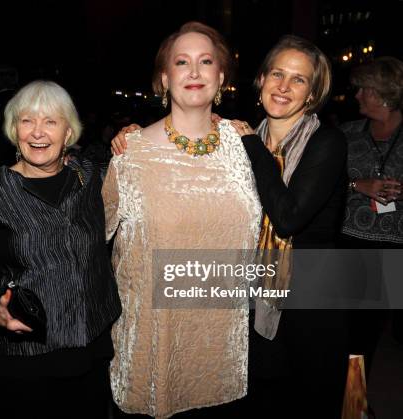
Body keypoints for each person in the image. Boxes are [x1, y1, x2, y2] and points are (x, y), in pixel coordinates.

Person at [103, 22, 262, 418]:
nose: (194, 71)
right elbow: (90, 241)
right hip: (155, 350)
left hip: (226, 350)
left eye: (205, 61)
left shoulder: (248, 145)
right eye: (182, 62)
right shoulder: (130, 153)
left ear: (220, 77)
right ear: (164, 79)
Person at [0, 80, 121, 419]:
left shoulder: (92, 177)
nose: (38, 132)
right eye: (27, 121)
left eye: (50, 121)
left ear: (68, 132)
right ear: (13, 130)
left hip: (89, 345)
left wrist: (133, 134)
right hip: (26, 350)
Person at [229, 35, 349, 418]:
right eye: (277, 74)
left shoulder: (327, 142)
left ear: (312, 94)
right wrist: (130, 135)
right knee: (257, 397)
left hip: (311, 296)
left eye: (298, 80)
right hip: (249, 285)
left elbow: (288, 216)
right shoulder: (235, 143)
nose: (283, 86)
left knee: (306, 398)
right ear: (261, 79)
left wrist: (252, 146)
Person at [339, 57, 403, 374]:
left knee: (369, 330)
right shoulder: (346, 134)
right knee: (344, 328)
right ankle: (350, 400)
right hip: (348, 243)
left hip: (394, 249)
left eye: (363, 89)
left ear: (381, 93)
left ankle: (354, 401)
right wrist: (356, 184)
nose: (357, 95)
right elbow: (322, 182)